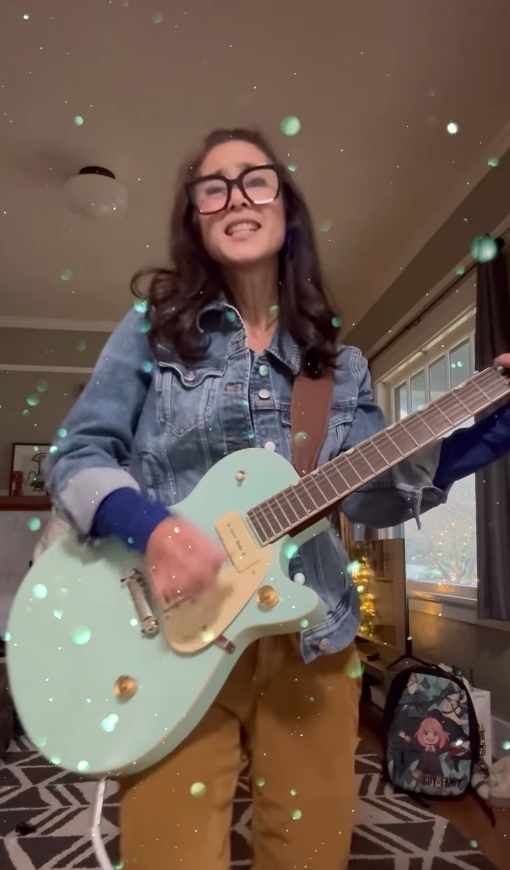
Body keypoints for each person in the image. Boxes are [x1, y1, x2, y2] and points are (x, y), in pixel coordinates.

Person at [42, 128, 510, 870]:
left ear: (285, 209)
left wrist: (489, 435)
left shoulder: (339, 367)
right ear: (196, 219)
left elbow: (371, 498)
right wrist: (152, 530)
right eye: (214, 187)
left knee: (309, 855)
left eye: (254, 180)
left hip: (313, 636)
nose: (236, 197)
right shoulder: (152, 336)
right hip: (173, 639)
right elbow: (76, 457)